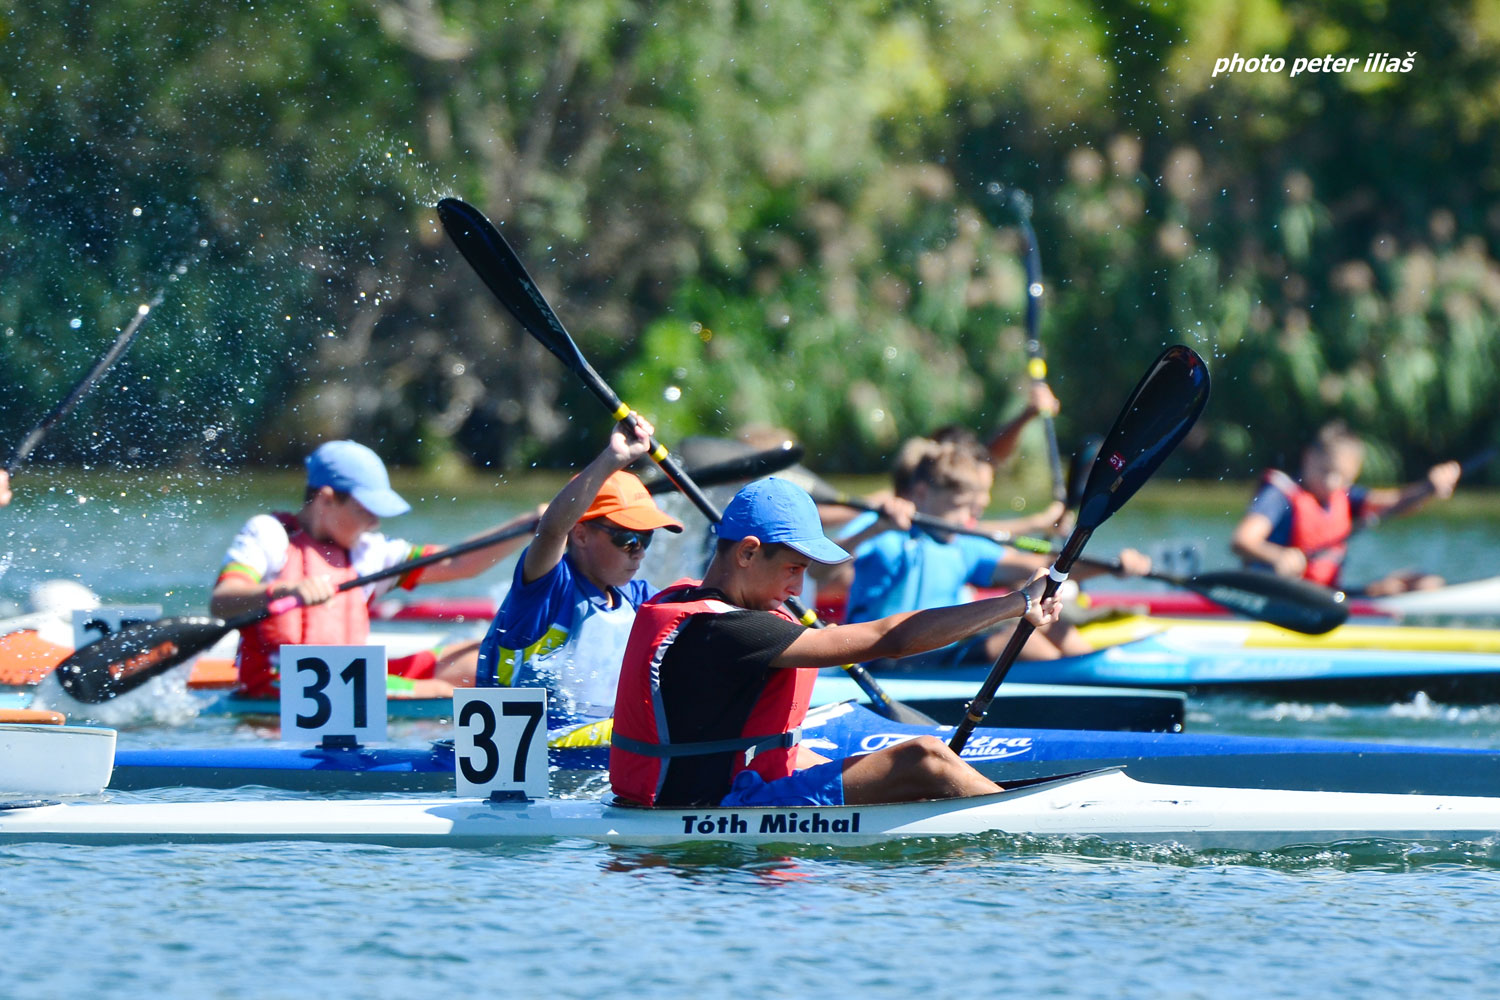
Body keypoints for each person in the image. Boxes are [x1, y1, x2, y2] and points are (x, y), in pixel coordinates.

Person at [609, 476, 1061, 809]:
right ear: (747, 553)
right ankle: (1038, 821)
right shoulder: (727, 629)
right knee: (926, 758)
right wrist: (1016, 603)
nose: (799, 587)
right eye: (793, 568)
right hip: (714, 805)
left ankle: (1001, 803)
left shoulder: (701, 605)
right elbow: (892, 639)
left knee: (882, 763)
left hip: (720, 789)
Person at [210, 440, 536, 699]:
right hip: (282, 688)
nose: (375, 522)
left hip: (353, 682)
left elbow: (459, 562)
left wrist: (532, 525)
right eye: (366, 509)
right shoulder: (269, 534)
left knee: (482, 658)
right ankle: (438, 702)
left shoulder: (369, 551)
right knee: (445, 691)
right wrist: (286, 591)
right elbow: (222, 600)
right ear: (326, 499)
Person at [840, 438, 1150, 661]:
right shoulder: (884, 529)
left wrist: (1109, 567)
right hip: (879, 658)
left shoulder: (963, 545)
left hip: (937, 648)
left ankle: (1094, 676)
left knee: (1043, 629)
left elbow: (1037, 566)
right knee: (1024, 645)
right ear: (921, 493)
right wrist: (874, 528)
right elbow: (818, 569)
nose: (968, 520)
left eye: (974, 509)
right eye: (961, 508)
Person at [475, 418, 683, 724]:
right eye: (626, 539)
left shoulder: (638, 598)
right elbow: (551, 530)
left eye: (646, 538)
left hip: (589, 746)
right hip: (522, 748)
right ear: (581, 534)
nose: (638, 550)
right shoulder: (549, 588)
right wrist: (612, 460)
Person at [1231, 421, 1462, 595]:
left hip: (1324, 598)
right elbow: (1242, 540)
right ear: (1308, 457)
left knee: (1422, 584)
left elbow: (1396, 502)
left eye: (1341, 477)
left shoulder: (1345, 497)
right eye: (1325, 471)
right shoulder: (1279, 496)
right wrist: (1279, 556)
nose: (1332, 483)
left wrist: (1428, 488)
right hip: (1271, 598)